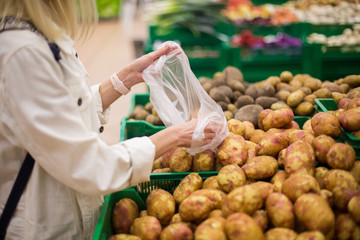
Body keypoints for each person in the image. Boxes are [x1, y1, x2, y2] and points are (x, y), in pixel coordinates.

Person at [0, 0, 217, 239]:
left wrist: (123, 79)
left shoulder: (38, 31)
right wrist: (176, 134)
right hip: (45, 227)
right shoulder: (23, 52)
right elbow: (88, 165)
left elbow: (65, 112)